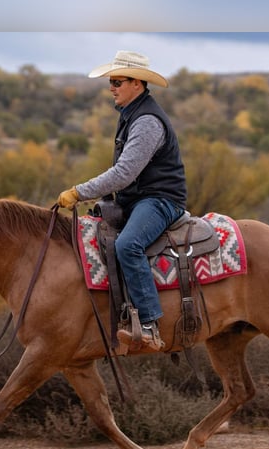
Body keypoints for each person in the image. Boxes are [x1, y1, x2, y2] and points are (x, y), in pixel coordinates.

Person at [58, 50, 187, 351]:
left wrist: (79, 191)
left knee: (128, 245)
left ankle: (150, 324)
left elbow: (124, 173)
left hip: (160, 200)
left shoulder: (147, 122)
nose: (111, 87)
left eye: (117, 81)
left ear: (137, 84)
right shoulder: (132, 114)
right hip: (138, 199)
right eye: (111, 81)